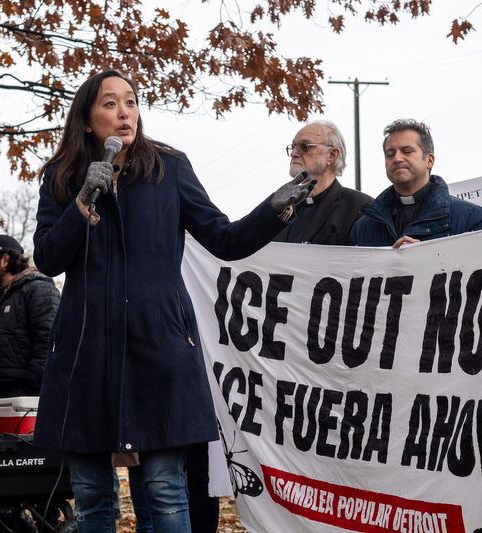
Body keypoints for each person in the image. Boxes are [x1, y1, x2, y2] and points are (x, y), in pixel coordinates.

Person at [32, 70, 316, 531]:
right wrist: (82, 201)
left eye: (131, 101)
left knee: (163, 490)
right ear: (86, 120)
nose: (124, 112)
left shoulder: (170, 168)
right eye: (109, 103)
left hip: (158, 347)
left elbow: (223, 239)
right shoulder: (62, 176)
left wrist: (273, 211)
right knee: (90, 495)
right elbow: (46, 258)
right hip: (85, 355)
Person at [350, 118, 482, 247]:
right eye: (390, 154)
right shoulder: (362, 228)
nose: (397, 158)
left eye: (407, 151)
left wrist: (428, 256)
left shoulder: (472, 218)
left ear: (429, 160)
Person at [0, 234, 59, 428]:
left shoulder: (39, 290)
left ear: (5, 259)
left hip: (23, 398)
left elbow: (49, 339)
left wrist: (31, 386)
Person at [273, 120, 372, 245]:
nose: (293, 153)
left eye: (304, 146)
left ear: (332, 155)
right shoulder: (282, 209)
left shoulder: (361, 208)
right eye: (293, 147)